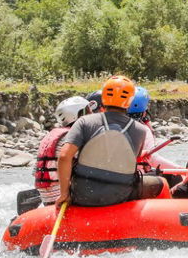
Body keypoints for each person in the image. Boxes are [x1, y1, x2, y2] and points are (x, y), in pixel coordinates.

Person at [56, 75, 168, 207]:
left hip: (82, 195)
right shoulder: (140, 130)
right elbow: (130, 159)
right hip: (122, 195)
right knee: (163, 184)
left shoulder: (84, 122)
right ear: (130, 101)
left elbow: (64, 156)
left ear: (103, 97)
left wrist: (64, 193)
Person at [33, 96, 89, 206]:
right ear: (79, 114)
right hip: (64, 197)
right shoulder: (73, 136)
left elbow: (35, 171)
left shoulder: (51, 135)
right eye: (88, 111)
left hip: (47, 197)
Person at [127, 86, 174, 171]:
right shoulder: (142, 129)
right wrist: (178, 168)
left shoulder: (112, 124)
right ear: (144, 112)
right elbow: (153, 159)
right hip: (135, 174)